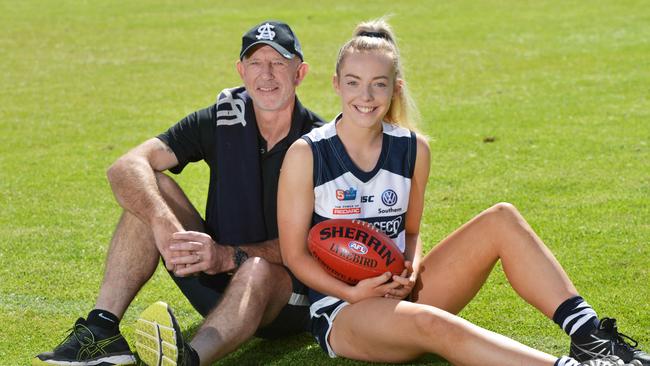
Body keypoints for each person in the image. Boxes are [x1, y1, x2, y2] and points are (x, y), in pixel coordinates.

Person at [277, 18, 649, 366]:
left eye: (379, 83)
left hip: (400, 293)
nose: (366, 95)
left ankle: (590, 337)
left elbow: (410, 231)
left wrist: (411, 267)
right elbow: (295, 255)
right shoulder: (308, 154)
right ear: (336, 84)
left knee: (501, 218)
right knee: (434, 325)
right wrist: (356, 293)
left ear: (395, 88)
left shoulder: (413, 149)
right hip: (345, 310)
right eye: (354, 81)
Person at [33, 20, 323, 366]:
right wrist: (162, 224)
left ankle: (190, 359)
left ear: (299, 73)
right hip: (215, 275)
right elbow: (126, 166)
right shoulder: (223, 117)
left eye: (278, 63)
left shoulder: (318, 141)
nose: (267, 75)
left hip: (284, 297)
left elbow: (316, 242)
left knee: (256, 269)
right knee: (150, 190)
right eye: (256, 63)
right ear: (241, 71)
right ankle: (102, 329)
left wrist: (229, 255)